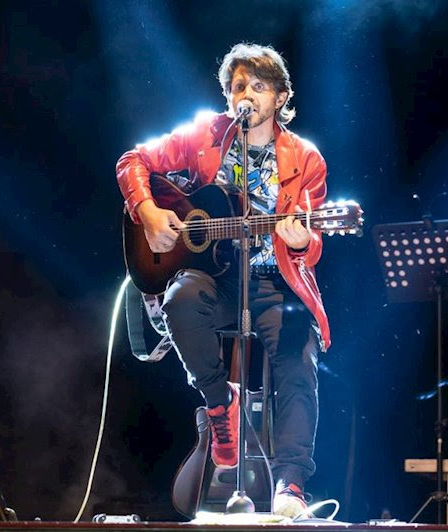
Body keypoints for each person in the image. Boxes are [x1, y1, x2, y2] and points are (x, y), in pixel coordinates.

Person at [115, 43, 329, 518]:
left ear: (280, 97)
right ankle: (219, 404)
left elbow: (312, 247)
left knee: (298, 356)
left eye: (258, 86)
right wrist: (148, 212)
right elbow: (132, 161)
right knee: (179, 298)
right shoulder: (205, 134)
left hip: (276, 283)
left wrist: (297, 241)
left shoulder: (307, 159)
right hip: (215, 280)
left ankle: (291, 483)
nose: (245, 94)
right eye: (237, 86)